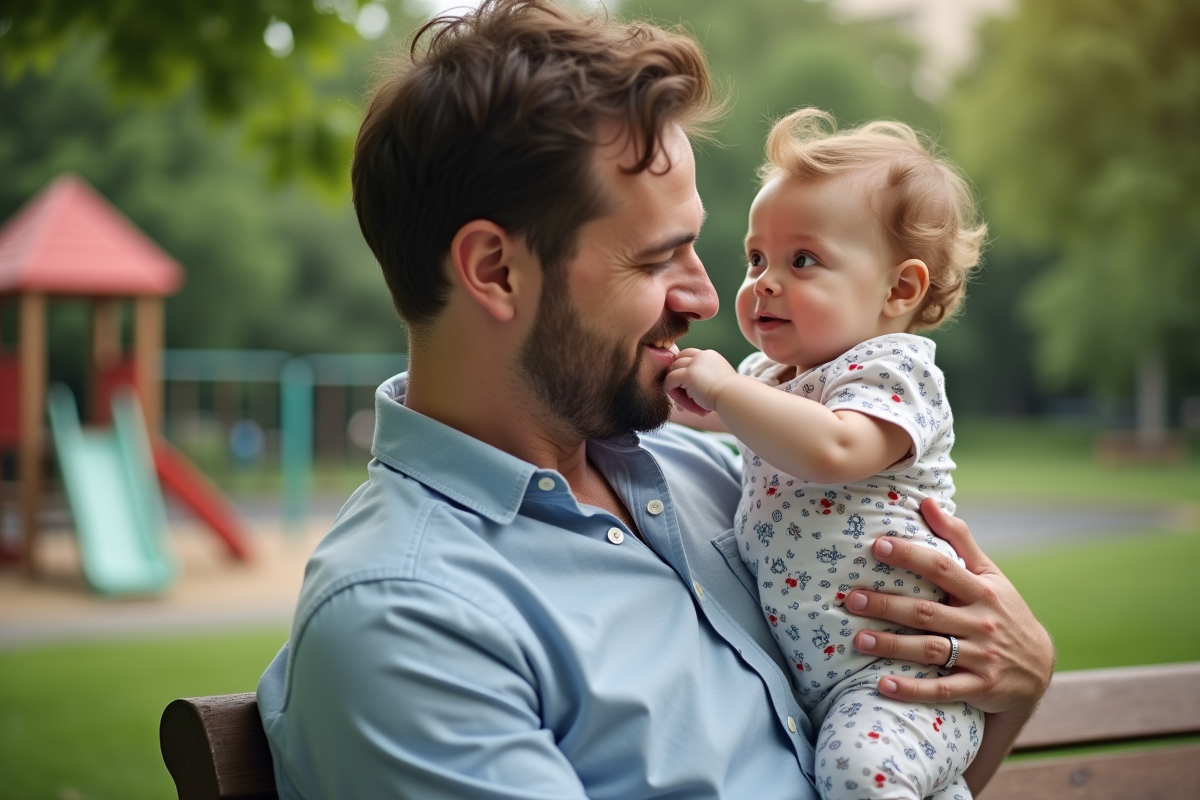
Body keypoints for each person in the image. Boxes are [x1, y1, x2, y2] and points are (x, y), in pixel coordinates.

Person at [255, 2, 1054, 798]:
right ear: (496, 271)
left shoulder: (713, 476)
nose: (707, 297)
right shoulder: (408, 618)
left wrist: (1013, 684)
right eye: (655, 260)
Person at [665, 108, 988, 799]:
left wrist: (722, 389)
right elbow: (718, 416)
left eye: (802, 260)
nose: (763, 282)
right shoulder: (767, 379)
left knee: (859, 776)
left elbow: (836, 448)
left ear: (899, 289)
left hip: (904, 680)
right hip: (830, 684)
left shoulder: (896, 371)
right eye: (756, 258)